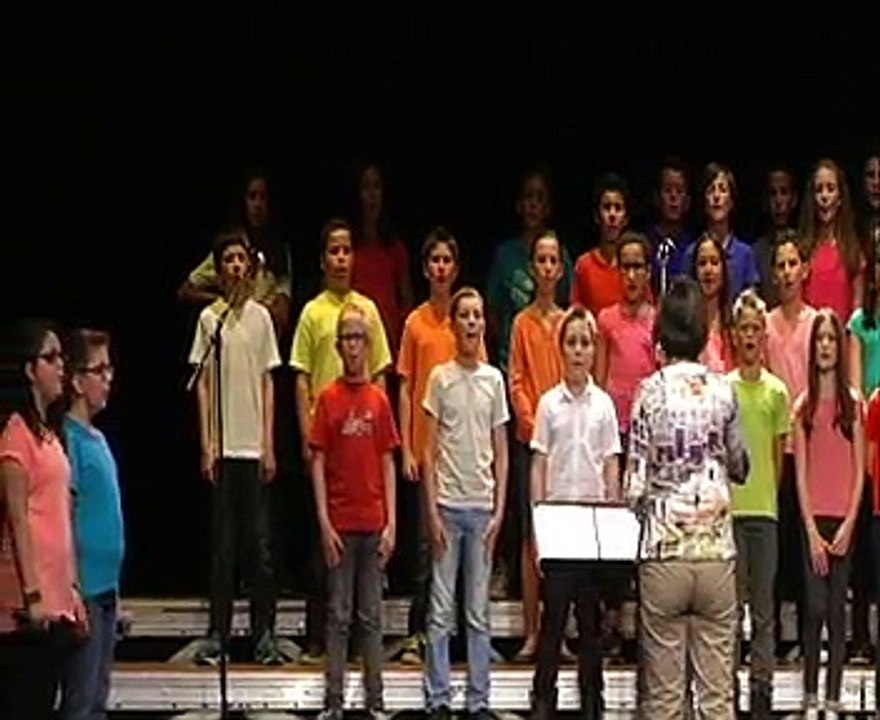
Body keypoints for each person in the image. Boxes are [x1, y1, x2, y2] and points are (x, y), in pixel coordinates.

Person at [625, 277, 748, 720]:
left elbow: (633, 487)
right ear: (702, 328)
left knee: (663, 701)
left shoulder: (648, 393)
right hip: (716, 553)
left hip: (663, 552)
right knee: (717, 700)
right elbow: (741, 464)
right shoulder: (724, 391)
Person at [290, 217, 392, 664]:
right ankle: (320, 644)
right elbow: (300, 378)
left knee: (365, 587)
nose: (341, 258)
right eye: (333, 250)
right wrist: (305, 434)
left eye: (347, 250)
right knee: (325, 551)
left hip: (364, 445)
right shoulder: (313, 312)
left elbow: (382, 374)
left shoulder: (367, 310)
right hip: (327, 439)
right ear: (323, 258)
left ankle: (367, 677)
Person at [188, 229, 283, 666]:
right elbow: (203, 385)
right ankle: (219, 633)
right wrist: (207, 443)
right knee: (223, 546)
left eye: (241, 259)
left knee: (259, 546)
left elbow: (268, 382)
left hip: (252, 446)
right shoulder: (211, 319)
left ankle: (265, 632)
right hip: (224, 449)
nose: (236, 266)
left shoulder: (261, 318)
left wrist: (268, 443)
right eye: (228, 260)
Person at [528, 307, 621, 720]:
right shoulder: (549, 404)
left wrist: (613, 517)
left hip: (593, 526)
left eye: (585, 342)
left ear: (593, 348)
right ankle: (543, 698)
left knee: (590, 621)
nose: (579, 351)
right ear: (561, 348)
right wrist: (538, 524)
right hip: (558, 525)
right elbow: (539, 465)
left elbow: (611, 465)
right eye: (572, 342)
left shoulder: (604, 405)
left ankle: (592, 701)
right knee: (553, 621)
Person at [423, 287, 509, 720]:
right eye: (465, 316)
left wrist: (499, 511)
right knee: (441, 610)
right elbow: (429, 450)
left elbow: (502, 448)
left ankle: (478, 700)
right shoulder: (440, 378)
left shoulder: (494, 380)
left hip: (481, 507)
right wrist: (431, 511)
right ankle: (438, 698)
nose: (472, 323)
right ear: (453, 323)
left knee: (478, 612)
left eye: (478, 316)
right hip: (447, 504)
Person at [310, 303, 399, 720]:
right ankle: (334, 701)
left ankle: (375, 701)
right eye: (346, 338)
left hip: (373, 521)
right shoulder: (327, 400)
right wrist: (324, 523)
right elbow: (317, 462)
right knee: (339, 615)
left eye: (359, 338)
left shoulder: (379, 401)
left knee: (371, 617)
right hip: (341, 524)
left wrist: (392, 523)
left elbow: (387, 462)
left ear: (368, 344)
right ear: (339, 345)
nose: (353, 346)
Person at [0, 320, 85, 717]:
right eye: (51, 358)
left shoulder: (50, 436)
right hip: (27, 613)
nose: (61, 366)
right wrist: (33, 596)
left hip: (56, 606)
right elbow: (18, 519)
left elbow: (59, 518)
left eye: (61, 357)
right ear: (30, 370)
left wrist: (72, 591)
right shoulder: (15, 436)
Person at [793, 309, 865, 720]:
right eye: (818, 339)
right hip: (813, 520)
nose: (824, 346)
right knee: (815, 607)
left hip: (844, 520)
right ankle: (808, 696)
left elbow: (859, 471)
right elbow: (800, 476)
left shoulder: (852, 405)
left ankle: (834, 699)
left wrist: (851, 522)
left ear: (839, 346)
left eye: (831, 339)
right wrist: (811, 533)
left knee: (837, 609)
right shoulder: (802, 407)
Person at [727, 290, 791, 719]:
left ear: (763, 335)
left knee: (764, 610)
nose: (750, 336)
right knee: (730, 611)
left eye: (756, 328)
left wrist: (765, 495)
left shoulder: (777, 392)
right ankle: (726, 691)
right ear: (733, 335)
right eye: (743, 328)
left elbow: (777, 457)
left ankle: (762, 695)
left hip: (764, 514)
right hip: (729, 514)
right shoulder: (724, 388)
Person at [59, 329, 126, 720]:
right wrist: (74, 588)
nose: (108, 378)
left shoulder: (96, 437)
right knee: (81, 703)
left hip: (106, 590)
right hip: (84, 592)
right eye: (99, 370)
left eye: (109, 368)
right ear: (77, 380)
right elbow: (65, 517)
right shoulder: (70, 439)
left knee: (98, 700)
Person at [508, 231, 565, 662]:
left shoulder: (567, 323)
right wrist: (535, 425)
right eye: (540, 261)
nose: (546, 268)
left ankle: (558, 633)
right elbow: (517, 381)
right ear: (533, 268)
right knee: (533, 540)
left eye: (553, 261)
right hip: (534, 443)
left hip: (565, 445)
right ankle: (531, 632)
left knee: (562, 543)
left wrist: (560, 428)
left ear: (561, 270)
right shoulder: (522, 323)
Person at [178, 166, 293, 341]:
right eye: (252, 197)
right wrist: (222, 300)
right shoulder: (229, 248)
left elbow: (283, 314)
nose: (257, 204)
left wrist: (258, 311)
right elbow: (186, 290)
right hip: (232, 335)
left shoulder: (278, 250)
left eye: (263, 197)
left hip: (263, 337)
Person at [350, 162, 413, 358]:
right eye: (366, 187)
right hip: (354, 340)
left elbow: (406, 298)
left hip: (387, 343)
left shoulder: (395, 247)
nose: (372, 194)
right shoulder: (349, 246)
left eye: (376, 186)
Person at [681, 162, 759, 301]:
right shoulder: (691, 253)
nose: (716, 196)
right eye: (711, 190)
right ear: (703, 201)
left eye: (722, 190)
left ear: (731, 201)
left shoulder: (745, 254)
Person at [800, 158, 865, 325]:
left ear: (840, 198)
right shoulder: (802, 249)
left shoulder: (853, 251)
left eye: (830, 189)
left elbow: (857, 314)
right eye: (818, 190)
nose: (824, 196)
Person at [571, 172, 629, 317]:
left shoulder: (633, 265)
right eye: (607, 207)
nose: (612, 215)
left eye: (618, 208)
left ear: (626, 218)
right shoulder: (584, 265)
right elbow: (576, 314)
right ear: (597, 216)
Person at [642, 155, 694, 296]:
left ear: (688, 201)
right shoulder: (644, 244)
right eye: (667, 190)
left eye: (679, 191)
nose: (673, 197)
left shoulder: (694, 247)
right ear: (657, 198)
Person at [753, 164, 799, 308]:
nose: (778, 201)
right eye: (773, 194)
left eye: (784, 192)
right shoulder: (757, 251)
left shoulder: (805, 245)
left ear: (794, 199)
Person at [692, 233, 734, 372]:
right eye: (702, 263)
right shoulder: (686, 325)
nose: (708, 270)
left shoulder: (734, 322)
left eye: (714, 262)